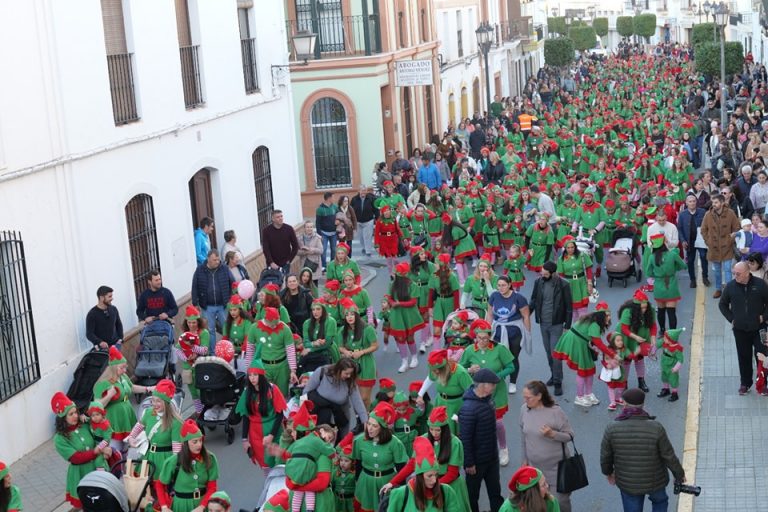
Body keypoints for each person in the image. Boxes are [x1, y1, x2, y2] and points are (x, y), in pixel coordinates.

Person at [600, 388, 685, 512]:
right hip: (656, 481)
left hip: (628, 483)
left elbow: (605, 456)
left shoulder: (612, 428)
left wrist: (608, 473)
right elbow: (668, 456)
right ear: (643, 404)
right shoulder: (656, 427)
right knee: (660, 501)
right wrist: (679, 475)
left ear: (624, 403)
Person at [383, 406, 471, 511]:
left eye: (438, 430)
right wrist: (392, 482)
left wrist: (433, 485)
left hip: (451, 486)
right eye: (431, 429)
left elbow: (452, 473)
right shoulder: (423, 439)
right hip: (428, 485)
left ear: (445, 428)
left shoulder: (455, 443)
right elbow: (412, 464)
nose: (434, 433)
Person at [460, 319, 516, 466]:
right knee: (479, 423)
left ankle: (503, 448)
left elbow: (511, 367)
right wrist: (469, 370)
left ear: (490, 336)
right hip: (477, 393)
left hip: (497, 391)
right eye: (479, 338)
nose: (482, 341)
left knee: (497, 423)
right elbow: (460, 368)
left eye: (485, 338)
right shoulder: (469, 350)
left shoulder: (499, 349)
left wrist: (497, 376)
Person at [519, 381, 574, 512]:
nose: (525, 400)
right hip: (535, 470)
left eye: (528, 398)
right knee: (539, 504)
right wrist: (524, 459)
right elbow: (523, 436)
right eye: (524, 397)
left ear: (539, 396)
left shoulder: (556, 412)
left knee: (560, 504)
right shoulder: (524, 409)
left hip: (557, 471)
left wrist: (552, 434)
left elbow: (570, 435)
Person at [718, 261, 768, 395]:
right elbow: (722, 304)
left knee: (762, 356)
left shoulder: (760, 284)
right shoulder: (730, 286)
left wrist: (763, 317)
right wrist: (732, 319)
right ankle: (745, 383)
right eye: (734, 273)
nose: (735, 276)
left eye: (738, 274)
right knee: (744, 357)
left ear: (747, 273)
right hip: (740, 329)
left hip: (760, 328)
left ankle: (762, 384)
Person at [51, 391, 107, 510]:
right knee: (88, 505)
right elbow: (76, 458)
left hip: (97, 467)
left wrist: (107, 447)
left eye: (76, 412)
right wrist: (95, 452)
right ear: (63, 418)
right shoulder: (59, 439)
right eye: (71, 414)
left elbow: (101, 433)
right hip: (81, 473)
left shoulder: (85, 425)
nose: (75, 416)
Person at [458, 368, 504, 512]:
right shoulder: (468, 408)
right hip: (476, 463)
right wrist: (469, 463)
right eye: (492, 384)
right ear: (483, 385)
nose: (494, 386)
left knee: (495, 494)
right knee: (472, 496)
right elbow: (465, 438)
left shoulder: (488, 399)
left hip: (491, 458)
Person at [553, 302, 613, 407]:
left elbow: (593, 341)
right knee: (583, 370)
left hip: (580, 341)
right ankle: (579, 397)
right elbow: (598, 343)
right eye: (607, 315)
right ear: (600, 316)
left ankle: (588, 394)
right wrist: (612, 354)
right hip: (576, 342)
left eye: (609, 315)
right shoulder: (595, 324)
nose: (609, 317)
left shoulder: (592, 321)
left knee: (589, 369)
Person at [352, 402, 407, 512]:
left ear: (383, 428)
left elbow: (401, 469)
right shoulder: (359, 441)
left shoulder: (395, 443)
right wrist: (358, 482)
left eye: (375, 426)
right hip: (365, 484)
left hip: (386, 483)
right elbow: (358, 464)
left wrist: (401, 492)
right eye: (369, 424)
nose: (370, 429)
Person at [156, 419, 220, 512]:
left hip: (203, 504)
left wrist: (202, 506)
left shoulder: (210, 458)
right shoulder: (173, 461)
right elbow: (160, 484)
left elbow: (212, 487)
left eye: (200, 440)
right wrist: (164, 507)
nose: (199, 445)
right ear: (185, 443)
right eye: (195, 442)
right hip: (181, 506)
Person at [529, 261, 572, 396]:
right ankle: (554, 375)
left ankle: (558, 382)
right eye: (542, 273)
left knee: (555, 354)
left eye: (546, 274)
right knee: (549, 352)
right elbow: (533, 300)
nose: (543, 275)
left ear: (553, 273)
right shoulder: (538, 282)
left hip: (557, 324)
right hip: (543, 323)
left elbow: (569, 306)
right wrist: (526, 315)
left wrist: (567, 325)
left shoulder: (564, 284)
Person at [236, 359, 287, 473]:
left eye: (255, 375)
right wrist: (244, 439)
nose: (252, 378)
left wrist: (271, 435)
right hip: (256, 435)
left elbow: (280, 415)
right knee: (265, 467)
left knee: (279, 464)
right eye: (250, 375)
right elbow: (246, 416)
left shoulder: (272, 390)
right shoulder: (247, 392)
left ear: (261, 376)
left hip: (274, 432)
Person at [385, 436, 461, 512]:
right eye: (429, 476)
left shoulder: (446, 491)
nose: (434, 480)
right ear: (419, 476)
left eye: (436, 475)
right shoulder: (400, 494)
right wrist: (392, 482)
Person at [93, 346, 145, 451]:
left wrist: (148, 388)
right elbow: (96, 406)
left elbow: (131, 387)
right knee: (116, 449)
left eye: (125, 367)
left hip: (127, 416)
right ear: (113, 368)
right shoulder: (102, 384)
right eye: (122, 368)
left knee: (127, 447)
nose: (125, 370)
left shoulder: (122, 377)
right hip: (114, 420)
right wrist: (109, 396)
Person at [486, 275, 531, 395]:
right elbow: (489, 314)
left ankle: (513, 382)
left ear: (510, 285)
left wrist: (527, 333)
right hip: (498, 331)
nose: (501, 288)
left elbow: (526, 316)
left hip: (514, 331)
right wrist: (487, 330)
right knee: (496, 356)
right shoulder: (494, 296)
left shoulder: (519, 298)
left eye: (503, 285)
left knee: (513, 357)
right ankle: (497, 379)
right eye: (499, 285)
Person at [125, 379, 182, 473]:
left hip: (164, 460)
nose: (154, 404)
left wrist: (173, 466)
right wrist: (131, 437)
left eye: (158, 401)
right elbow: (139, 425)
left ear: (166, 402)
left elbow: (177, 449)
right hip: (148, 456)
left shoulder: (175, 422)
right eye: (153, 400)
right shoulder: (148, 412)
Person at [303, 358, 369, 436]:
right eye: (346, 373)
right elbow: (306, 392)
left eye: (351, 373)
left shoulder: (350, 381)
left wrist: (365, 421)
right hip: (320, 412)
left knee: (341, 437)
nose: (349, 376)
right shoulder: (322, 372)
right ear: (338, 370)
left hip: (340, 413)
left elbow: (357, 401)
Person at [336, 298, 378, 409]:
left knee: (364, 398)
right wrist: (345, 352)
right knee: (355, 397)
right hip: (350, 364)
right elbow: (340, 347)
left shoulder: (367, 329)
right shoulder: (342, 330)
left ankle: (369, 415)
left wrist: (362, 352)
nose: (349, 317)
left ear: (357, 315)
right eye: (347, 315)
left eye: (352, 314)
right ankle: (362, 417)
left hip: (366, 363)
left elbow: (375, 345)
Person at [191, 249, 235, 349]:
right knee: (210, 330)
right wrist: (195, 303)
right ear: (208, 259)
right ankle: (212, 352)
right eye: (214, 260)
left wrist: (232, 298)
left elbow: (233, 283)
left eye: (218, 259)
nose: (217, 262)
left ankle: (229, 349)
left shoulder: (224, 268)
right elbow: (195, 287)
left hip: (223, 305)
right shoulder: (199, 270)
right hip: (207, 306)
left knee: (227, 327)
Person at [701, 194, 741, 298]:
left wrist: (730, 239)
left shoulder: (730, 213)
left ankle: (728, 291)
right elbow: (703, 229)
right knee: (717, 271)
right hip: (714, 247)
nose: (713, 204)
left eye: (716, 202)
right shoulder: (708, 214)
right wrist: (708, 241)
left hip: (727, 246)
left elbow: (737, 227)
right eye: (713, 202)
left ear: (722, 203)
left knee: (727, 269)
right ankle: (718, 289)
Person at [176, 306, 210, 418]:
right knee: (194, 393)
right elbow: (177, 349)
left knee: (203, 391)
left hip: (201, 367)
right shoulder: (184, 335)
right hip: (188, 368)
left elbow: (204, 350)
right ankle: (199, 413)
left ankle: (207, 411)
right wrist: (186, 358)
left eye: (194, 322)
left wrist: (192, 347)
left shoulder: (204, 333)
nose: (191, 325)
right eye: (189, 322)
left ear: (198, 321)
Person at [677, 195, 710, 288]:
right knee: (690, 260)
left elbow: (708, 226)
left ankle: (705, 277)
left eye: (694, 201)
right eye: (690, 201)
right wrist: (683, 240)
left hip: (701, 240)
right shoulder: (682, 215)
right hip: (689, 241)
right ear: (686, 203)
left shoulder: (703, 212)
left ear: (696, 202)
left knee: (704, 257)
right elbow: (679, 229)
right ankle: (692, 280)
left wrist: (707, 238)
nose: (692, 203)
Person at [85, 285, 124, 350]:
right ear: (101, 298)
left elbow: (119, 324)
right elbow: (89, 334)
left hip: (116, 345)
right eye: (109, 296)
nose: (112, 298)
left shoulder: (114, 309)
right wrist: (100, 342)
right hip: (101, 350)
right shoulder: (92, 314)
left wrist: (120, 339)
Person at [262, 209, 300, 275]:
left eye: (281, 216)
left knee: (285, 280)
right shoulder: (266, 231)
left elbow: (295, 246)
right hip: (272, 264)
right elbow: (266, 248)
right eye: (278, 217)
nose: (280, 218)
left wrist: (289, 260)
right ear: (273, 219)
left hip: (285, 264)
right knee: (273, 281)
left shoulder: (289, 229)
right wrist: (271, 262)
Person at [351, 185, 378, 257]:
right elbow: (351, 210)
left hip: (368, 221)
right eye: (362, 190)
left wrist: (377, 218)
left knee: (367, 237)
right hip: (358, 221)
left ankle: (368, 251)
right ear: (359, 191)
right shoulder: (354, 199)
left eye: (365, 190)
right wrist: (351, 220)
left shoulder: (371, 198)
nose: (363, 192)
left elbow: (375, 209)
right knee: (361, 237)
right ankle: (364, 247)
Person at [316, 193, 340, 272]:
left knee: (334, 250)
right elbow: (317, 223)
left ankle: (332, 265)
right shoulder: (320, 209)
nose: (334, 199)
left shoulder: (335, 207)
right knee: (323, 250)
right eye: (333, 197)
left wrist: (338, 220)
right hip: (324, 233)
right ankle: (323, 266)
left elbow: (339, 216)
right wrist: (319, 235)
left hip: (334, 233)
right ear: (329, 198)